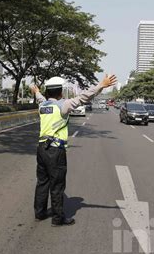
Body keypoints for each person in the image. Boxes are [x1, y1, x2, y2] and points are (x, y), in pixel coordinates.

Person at [30, 74, 117, 226]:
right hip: (55, 151)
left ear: (48, 91)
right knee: (57, 185)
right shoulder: (63, 106)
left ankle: (40, 213)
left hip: (41, 149)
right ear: (60, 92)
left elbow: (39, 97)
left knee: (42, 182)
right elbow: (84, 97)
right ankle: (58, 219)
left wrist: (36, 91)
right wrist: (101, 85)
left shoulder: (42, 105)